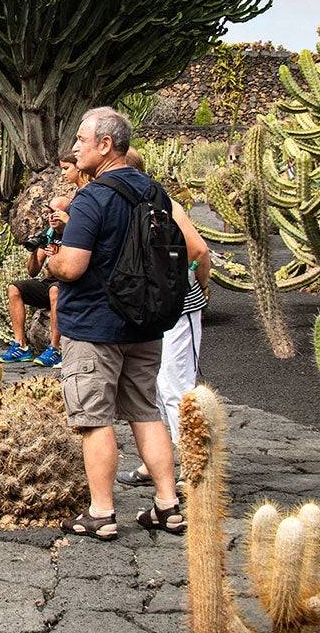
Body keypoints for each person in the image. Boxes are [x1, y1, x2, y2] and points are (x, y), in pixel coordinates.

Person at [44, 107, 184, 541]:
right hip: (144, 322)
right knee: (146, 411)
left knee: (93, 418)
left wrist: (50, 262)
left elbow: (72, 265)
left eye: (82, 140)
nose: (76, 148)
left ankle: (101, 513)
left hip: (94, 326)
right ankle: (168, 505)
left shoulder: (93, 197)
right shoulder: (154, 192)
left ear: (106, 144)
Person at [117, 148, 211, 487]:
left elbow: (198, 250)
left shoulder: (165, 204)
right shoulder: (128, 206)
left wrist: (198, 289)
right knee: (153, 386)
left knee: (176, 385)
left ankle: (193, 464)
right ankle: (159, 462)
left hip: (177, 307)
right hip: (148, 310)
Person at [0, 151, 90, 367]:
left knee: (54, 290)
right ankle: (21, 345)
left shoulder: (73, 227)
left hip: (64, 283)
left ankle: (54, 349)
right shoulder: (49, 234)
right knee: (15, 288)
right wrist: (35, 250)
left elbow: (70, 263)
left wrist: (64, 234)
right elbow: (32, 271)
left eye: (56, 213)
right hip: (50, 281)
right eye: (49, 213)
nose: (52, 217)